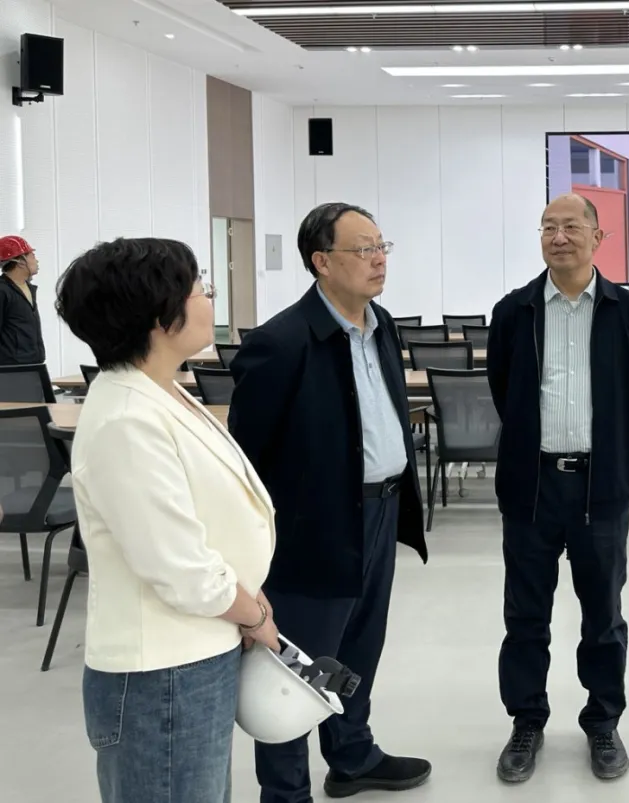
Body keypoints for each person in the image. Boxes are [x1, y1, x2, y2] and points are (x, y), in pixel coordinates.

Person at [56, 237, 279, 803]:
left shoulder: (160, 390)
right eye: (200, 287)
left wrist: (247, 595)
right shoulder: (126, 418)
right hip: (162, 672)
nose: (209, 297)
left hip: (198, 647)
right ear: (160, 316)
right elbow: (177, 565)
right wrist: (253, 612)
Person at [228, 202, 431, 802]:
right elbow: (247, 462)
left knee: (360, 644)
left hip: (381, 510)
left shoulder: (381, 324)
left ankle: (352, 756)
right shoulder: (281, 342)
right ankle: (286, 792)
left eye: (382, 246)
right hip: (313, 525)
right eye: (363, 248)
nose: (379, 259)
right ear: (321, 261)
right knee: (293, 663)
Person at [486, 193, 629, 783]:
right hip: (530, 489)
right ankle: (526, 721)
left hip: (598, 491)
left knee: (603, 616)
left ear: (597, 238)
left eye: (571, 227)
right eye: (548, 227)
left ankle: (603, 722)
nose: (558, 237)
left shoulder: (628, 312)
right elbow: (504, 389)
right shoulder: (513, 312)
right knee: (525, 616)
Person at [0, 234, 46, 365]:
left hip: (33, 364)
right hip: (12, 368)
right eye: (32, 256)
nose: (37, 261)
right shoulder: (2, 291)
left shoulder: (28, 288)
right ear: (20, 261)